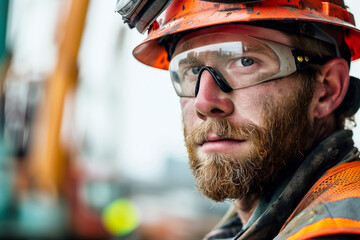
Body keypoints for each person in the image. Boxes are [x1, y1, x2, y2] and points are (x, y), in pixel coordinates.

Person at [117, 0, 360, 239]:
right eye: (192, 70)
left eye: (245, 61)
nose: (204, 103)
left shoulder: (339, 228)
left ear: (327, 89)